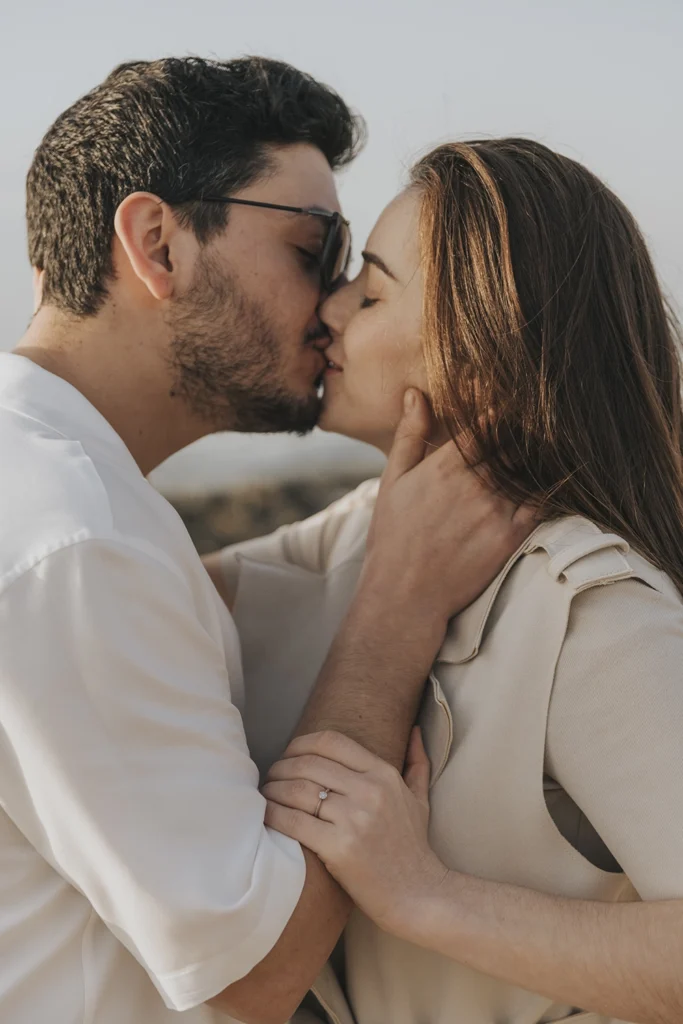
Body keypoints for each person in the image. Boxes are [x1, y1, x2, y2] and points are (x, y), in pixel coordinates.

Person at [0, 60, 535, 1024]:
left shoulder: (57, 498)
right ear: (157, 243)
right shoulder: (78, 540)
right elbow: (252, 973)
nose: (333, 302)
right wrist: (398, 608)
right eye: (311, 249)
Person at [207, 138, 683, 1024]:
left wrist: (423, 895)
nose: (329, 310)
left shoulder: (586, 612)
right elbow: (135, 591)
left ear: (480, 350)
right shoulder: (364, 537)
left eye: (373, 290)